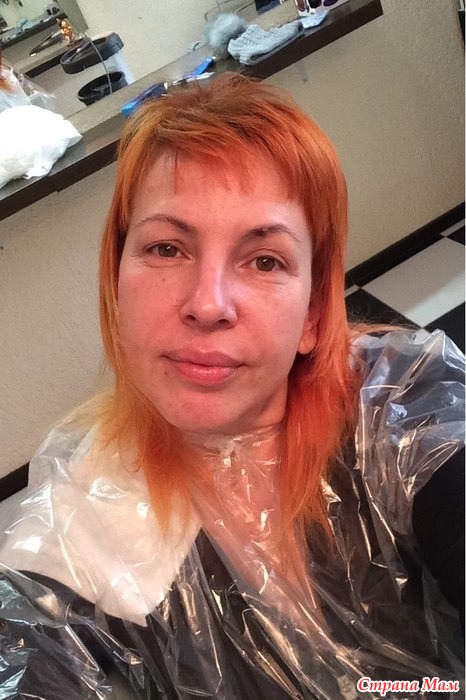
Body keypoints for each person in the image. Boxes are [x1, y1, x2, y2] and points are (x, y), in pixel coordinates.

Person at [0, 73, 463, 699]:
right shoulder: (76, 535)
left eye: (264, 260)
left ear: (314, 313)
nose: (208, 304)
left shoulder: (406, 407)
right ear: (115, 282)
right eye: (167, 249)